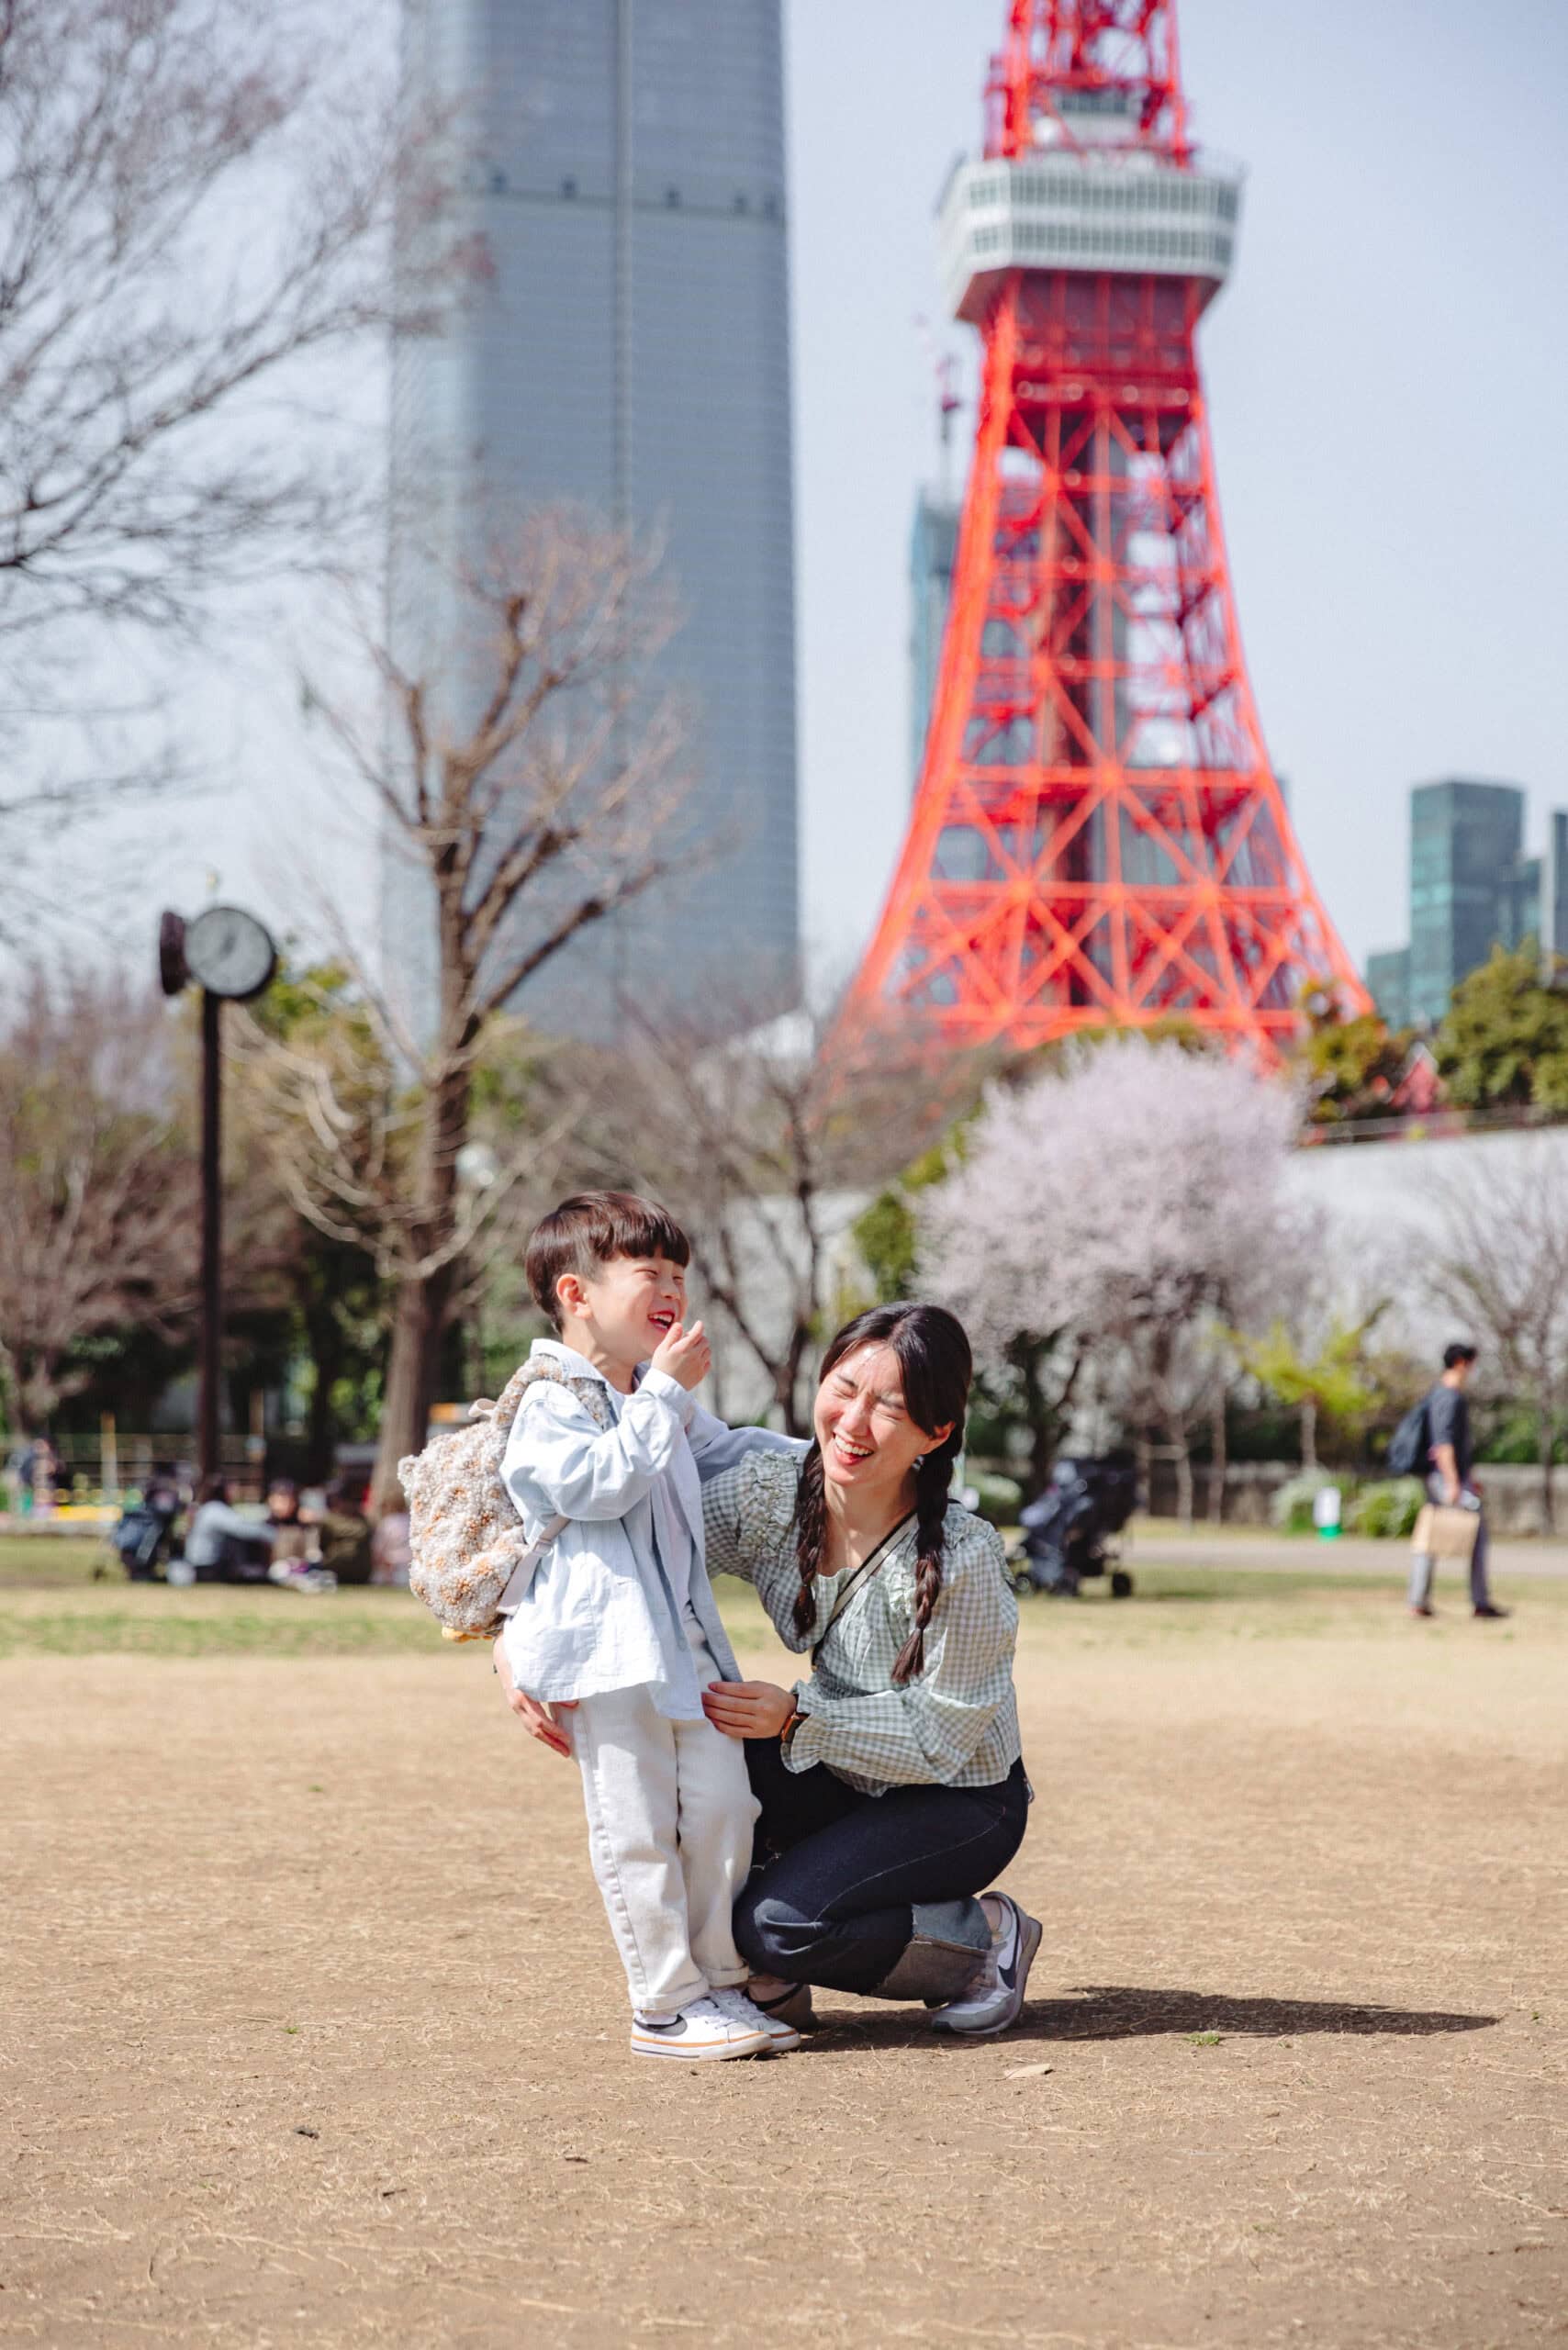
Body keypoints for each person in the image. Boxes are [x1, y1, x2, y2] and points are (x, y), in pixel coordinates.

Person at [504, 1301, 1040, 2041]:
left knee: (781, 1925)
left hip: (958, 1801)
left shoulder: (963, 1558)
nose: (854, 1424)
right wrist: (513, 1645)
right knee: (686, 1784)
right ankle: (762, 1983)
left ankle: (982, 1940)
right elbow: (623, 1526)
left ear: (936, 1432)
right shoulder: (775, 1496)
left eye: (892, 1408)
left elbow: (943, 1738)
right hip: (836, 1770)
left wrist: (795, 1719)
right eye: (844, 1389)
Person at [493, 1191, 801, 2064]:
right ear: (576, 1294)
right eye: (648, 1273)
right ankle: (663, 2003)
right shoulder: (545, 1398)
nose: (671, 1288)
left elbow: (725, 1450)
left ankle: (718, 1984)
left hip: (686, 1649)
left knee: (722, 1809)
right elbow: (599, 1485)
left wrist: (824, 1457)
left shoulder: (645, 1394)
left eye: (677, 1273)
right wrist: (662, 1394)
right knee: (635, 1828)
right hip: (606, 1658)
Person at [1408, 1342, 1509, 1621]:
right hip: (1446, 1478)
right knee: (1454, 1536)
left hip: (1450, 1477)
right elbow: (1443, 1444)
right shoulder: (1448, 1397)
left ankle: (1424, 1599)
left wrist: (1467, 1478)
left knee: (1437, 1535)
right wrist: (1454, 1482)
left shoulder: (1441, 1395)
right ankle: (1477, 1601)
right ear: (1462, 1363)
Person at [182, 1475, 276, 1580]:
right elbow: (241, 1528)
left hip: (205, 1565)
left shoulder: (209, 1508)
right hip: (207, 1567)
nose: (236, 1492)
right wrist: (274, 1535)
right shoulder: (215, 1509)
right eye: (232, 1489)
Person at [313, 1478, 374, 1585]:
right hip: (343, 1570)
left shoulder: (360, 1520)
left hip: (354, 1571)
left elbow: (322, 1546)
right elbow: (323, 1546)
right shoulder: (331, 1520)